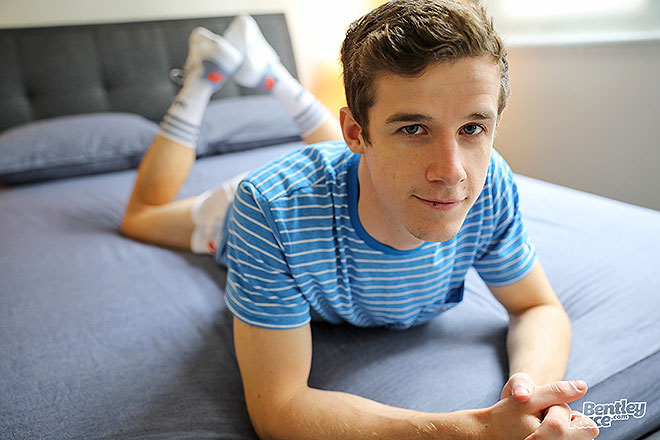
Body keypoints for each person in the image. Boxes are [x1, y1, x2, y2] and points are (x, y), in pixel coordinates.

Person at [121, 2, 600, 439]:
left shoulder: (490, 182)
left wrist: (530, 402)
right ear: (354, 131)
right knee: (141, 218)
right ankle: (203, 77)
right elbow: (278, 408)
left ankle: (273, 76)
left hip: (352, 173)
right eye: (413, 128)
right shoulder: (267, 212)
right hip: (251, 204)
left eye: (473, 127)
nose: (453, 173)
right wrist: (476, 430)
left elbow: (537, 307)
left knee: (375, 161)